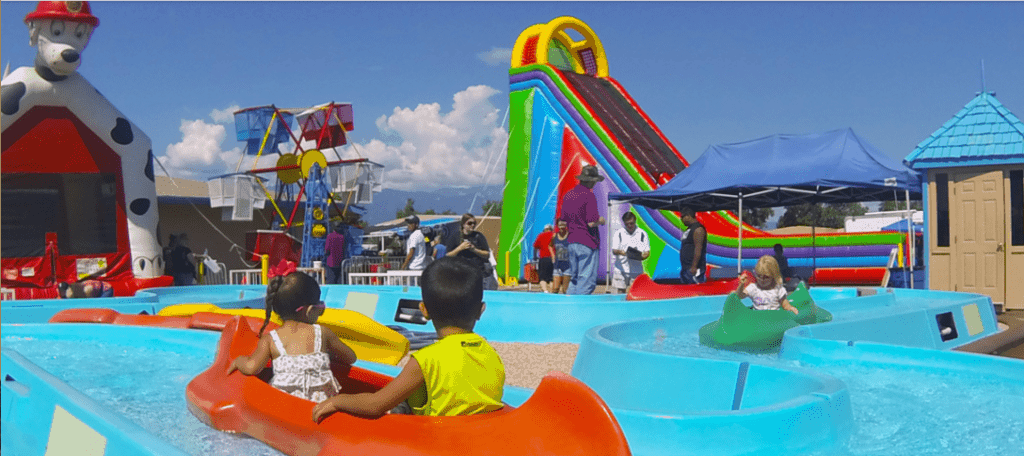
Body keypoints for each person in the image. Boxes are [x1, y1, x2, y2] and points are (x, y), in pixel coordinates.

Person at [311, 257, 505, 420]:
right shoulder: (491, 354)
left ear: (424, 311)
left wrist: (338, 401)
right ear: (481, 310)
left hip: (440, 444)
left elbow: (375, 405)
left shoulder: (426, 360)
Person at [227, 272, 358, 403]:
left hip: (284, 405)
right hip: (320, 407)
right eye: (320, 308)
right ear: (310, 310)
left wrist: (239, 361)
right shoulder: (323, 333)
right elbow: (351, 357)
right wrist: (327, 353)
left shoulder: (270, 339)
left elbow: (252, 368)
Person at [559, 165, 606, 295]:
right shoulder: (588, 196)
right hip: (587, 242)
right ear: (591, 180)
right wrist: (601, 220)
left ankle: (568, 309)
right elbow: (591, 223)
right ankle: (580, 311)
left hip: (572, 242)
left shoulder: (569, 195)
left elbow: (563, 220)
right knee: (586, 281)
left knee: (574, 280)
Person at [445, 213, 497, 290]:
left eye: (474, 223)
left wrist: (474, 250)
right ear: (463, 224)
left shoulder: (478, 236)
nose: (472, 225)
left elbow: (487, 254)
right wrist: (460, 248)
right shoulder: (455, 236)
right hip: (460, 273)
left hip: (478, 273)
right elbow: (448, 255)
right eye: (469, 223)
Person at [611, 212, 651, 293]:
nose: (629, 226)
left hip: (636, 269)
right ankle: (621, 306)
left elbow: (647, 252)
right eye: (627, 224)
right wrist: (623, 253)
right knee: (620, 293)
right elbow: (614, 250)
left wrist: (642, 257)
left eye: (631, 223)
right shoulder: (619, 233)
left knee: (636, 292)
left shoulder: (642, 233)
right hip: (621, 268)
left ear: (635, 221)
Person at [678, 207, 707, 284]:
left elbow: (698, 248)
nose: (681, 219)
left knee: (695, 291)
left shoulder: (698, 229)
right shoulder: (689, 229)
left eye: (682, 217)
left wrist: (694, 266)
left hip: (694, 269)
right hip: (686, 268)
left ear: (688, 216)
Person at [532, 224, 555, 293]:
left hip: (543, 258)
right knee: (552, 278)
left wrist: (535, 257)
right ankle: (552, 292)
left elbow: (535, 247)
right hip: (553, 258)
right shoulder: (554, 235)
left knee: (542, 278)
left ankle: (545, 291)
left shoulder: (541, 235)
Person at [550, 219, 571, 294]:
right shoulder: (555, 236)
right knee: (555, 288)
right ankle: (552, 304)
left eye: (563, 225)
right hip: (557, 265)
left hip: (568, 265)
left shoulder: (570, 235)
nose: (562, 227)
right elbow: (550, 246)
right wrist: (552, 255)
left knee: (565, 290)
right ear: (557, 226)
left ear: (566, 226)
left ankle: (566, 304)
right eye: (560, 225)